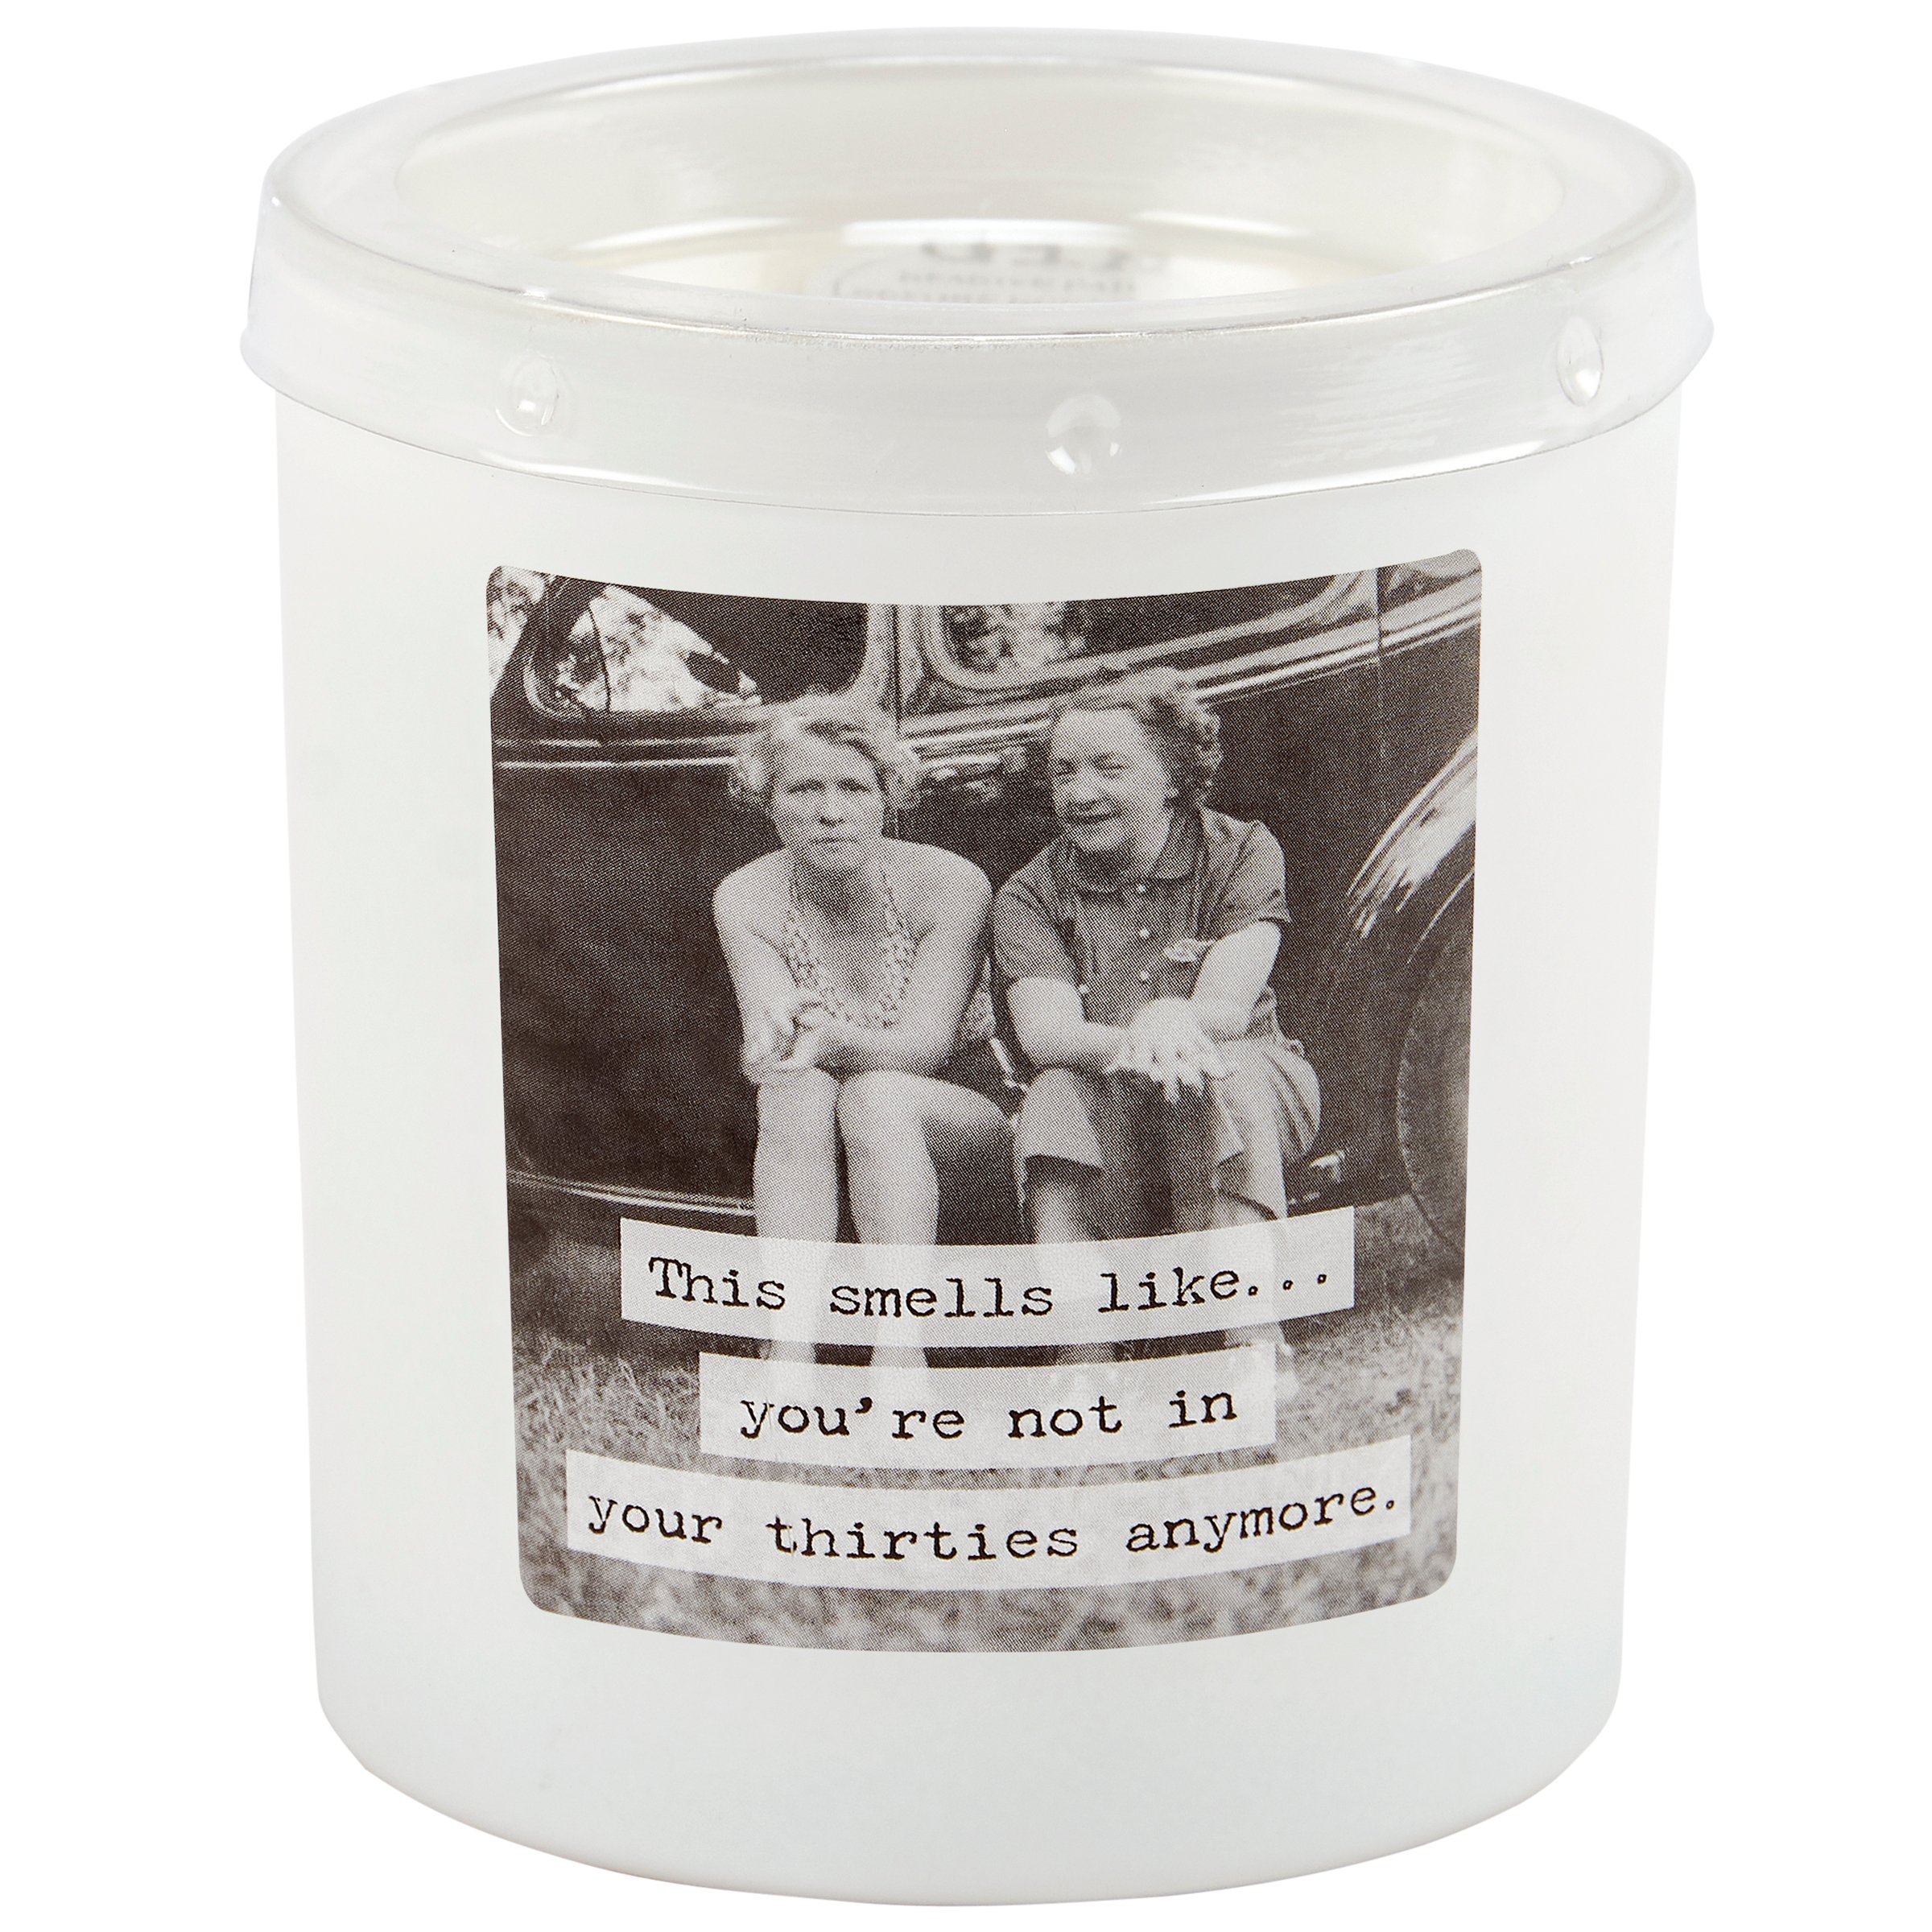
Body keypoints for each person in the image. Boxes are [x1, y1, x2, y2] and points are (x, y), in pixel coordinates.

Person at [992, 668, 1320, 1245]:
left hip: (1245, 1079)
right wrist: (1146, 1037)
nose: (1081, 792)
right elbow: (1045, 1034)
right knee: (1052, 1100)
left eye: (1108, 768)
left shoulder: (1240, 850)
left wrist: (1172, 1019)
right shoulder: (1032, 889)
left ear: (1172, 774)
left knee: (1221, 1078)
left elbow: (1225, 1008)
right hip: (1110, 1097)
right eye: (1063, 773)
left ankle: (1241, 1302)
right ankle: (1078, 1303)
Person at [712, 694, 1013, 1250]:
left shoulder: (949, 882)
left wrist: (823, 1039)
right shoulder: (747, 895)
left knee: (875, 1097)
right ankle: (791, 1309)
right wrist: (776, 1042)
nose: (831, 811)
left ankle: (900, 1311)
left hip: (961, 1111)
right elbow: (766, 1056)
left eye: (853, 788)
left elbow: (925, 1048)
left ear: (887, 797)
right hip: (826, 1114)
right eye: (803, 789)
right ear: (768, 802)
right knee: (791, 1093)